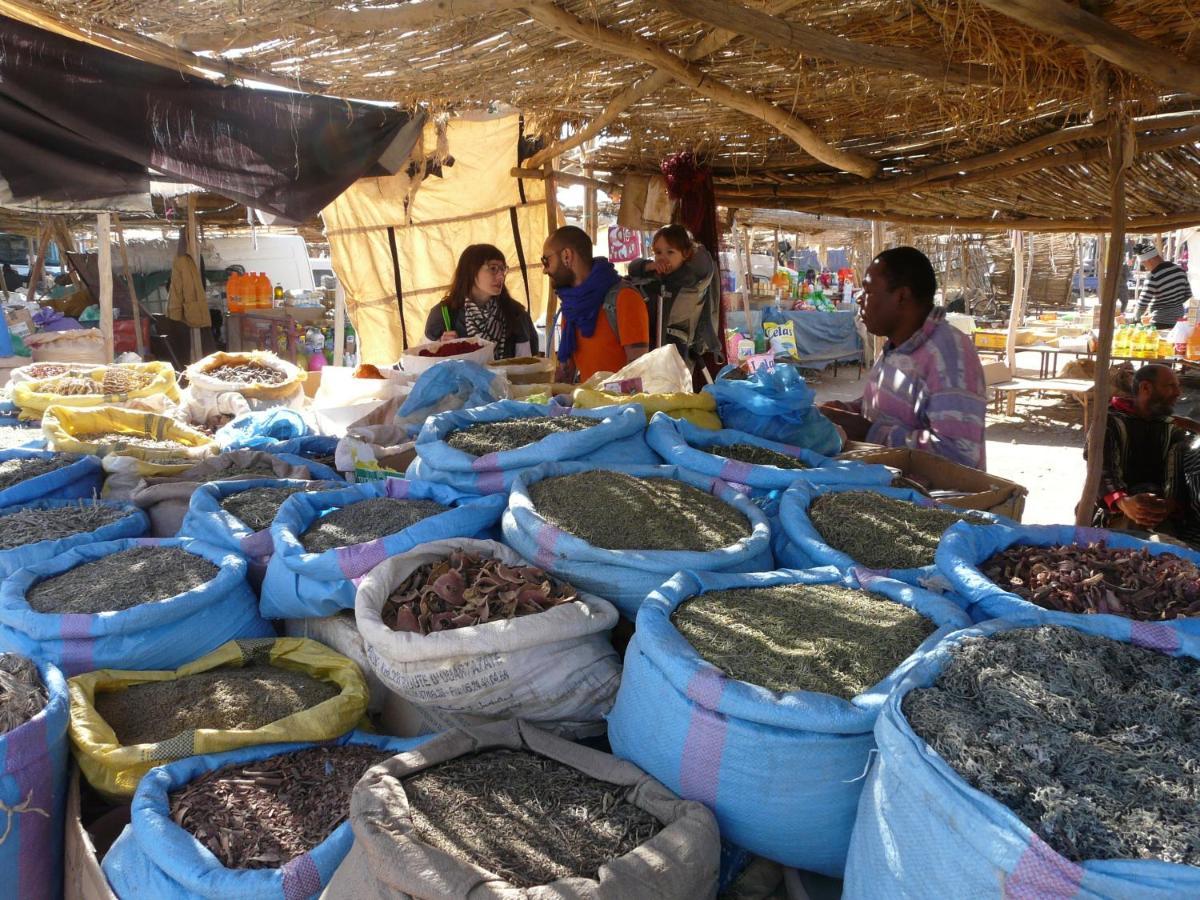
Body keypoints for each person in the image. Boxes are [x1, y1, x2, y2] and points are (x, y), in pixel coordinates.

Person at [820, 246, 987, 469]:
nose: (860, 299)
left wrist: (868, 432)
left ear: (901, 297)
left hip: (931, 501)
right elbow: (891, 411)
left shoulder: (949, 356)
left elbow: (959, 456)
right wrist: (846, 410)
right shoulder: (898, 346)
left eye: (868, 291)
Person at [1090, 363, 1200, 544]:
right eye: (1171, 386)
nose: (1178, 393)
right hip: (1117, 512)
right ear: (1146, 388)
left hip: (1159, 513)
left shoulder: (1173, 427)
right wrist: (1124, 502)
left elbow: (1180, 470)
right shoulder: (1109, 422)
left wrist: (1170, 504)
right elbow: (1101, 468)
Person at [543, 225, 648, 383]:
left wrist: (602, 401)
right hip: (587, 403)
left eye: (546, 260)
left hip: (619, 405)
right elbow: (567, 373)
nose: (545, 270)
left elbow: (638, 371)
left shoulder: (625, 298)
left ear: (566, 256)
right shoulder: (571, 306)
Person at [628, 224, 721, 370]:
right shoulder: (658, 273)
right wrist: (649, 266)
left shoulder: (689, 279)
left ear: (686, 254)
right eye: (658, 253)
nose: (663, 258)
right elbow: (633, 268)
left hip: (676, 349)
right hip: (654, 345)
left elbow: (698, 269)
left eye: (670, 252)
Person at [424, 244, 538, 360]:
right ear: (471, 271)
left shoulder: (516, 314)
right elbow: (425, 366)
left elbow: (526, 367)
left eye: (503, 269)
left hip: (507, 378)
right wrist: (442, 349)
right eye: (493, 268)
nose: (501, 276)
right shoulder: (443, 315)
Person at [1132, 243, 1191, 329]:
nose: (1145, 267)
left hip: (1160, 322)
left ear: (1150, 260)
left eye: (1143, 263)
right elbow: (1188, 294)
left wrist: (1135, 320)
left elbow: (1142, 304)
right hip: (1179, 321)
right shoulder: (1180, 270)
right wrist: (1174, 303)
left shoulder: (1153, 276)